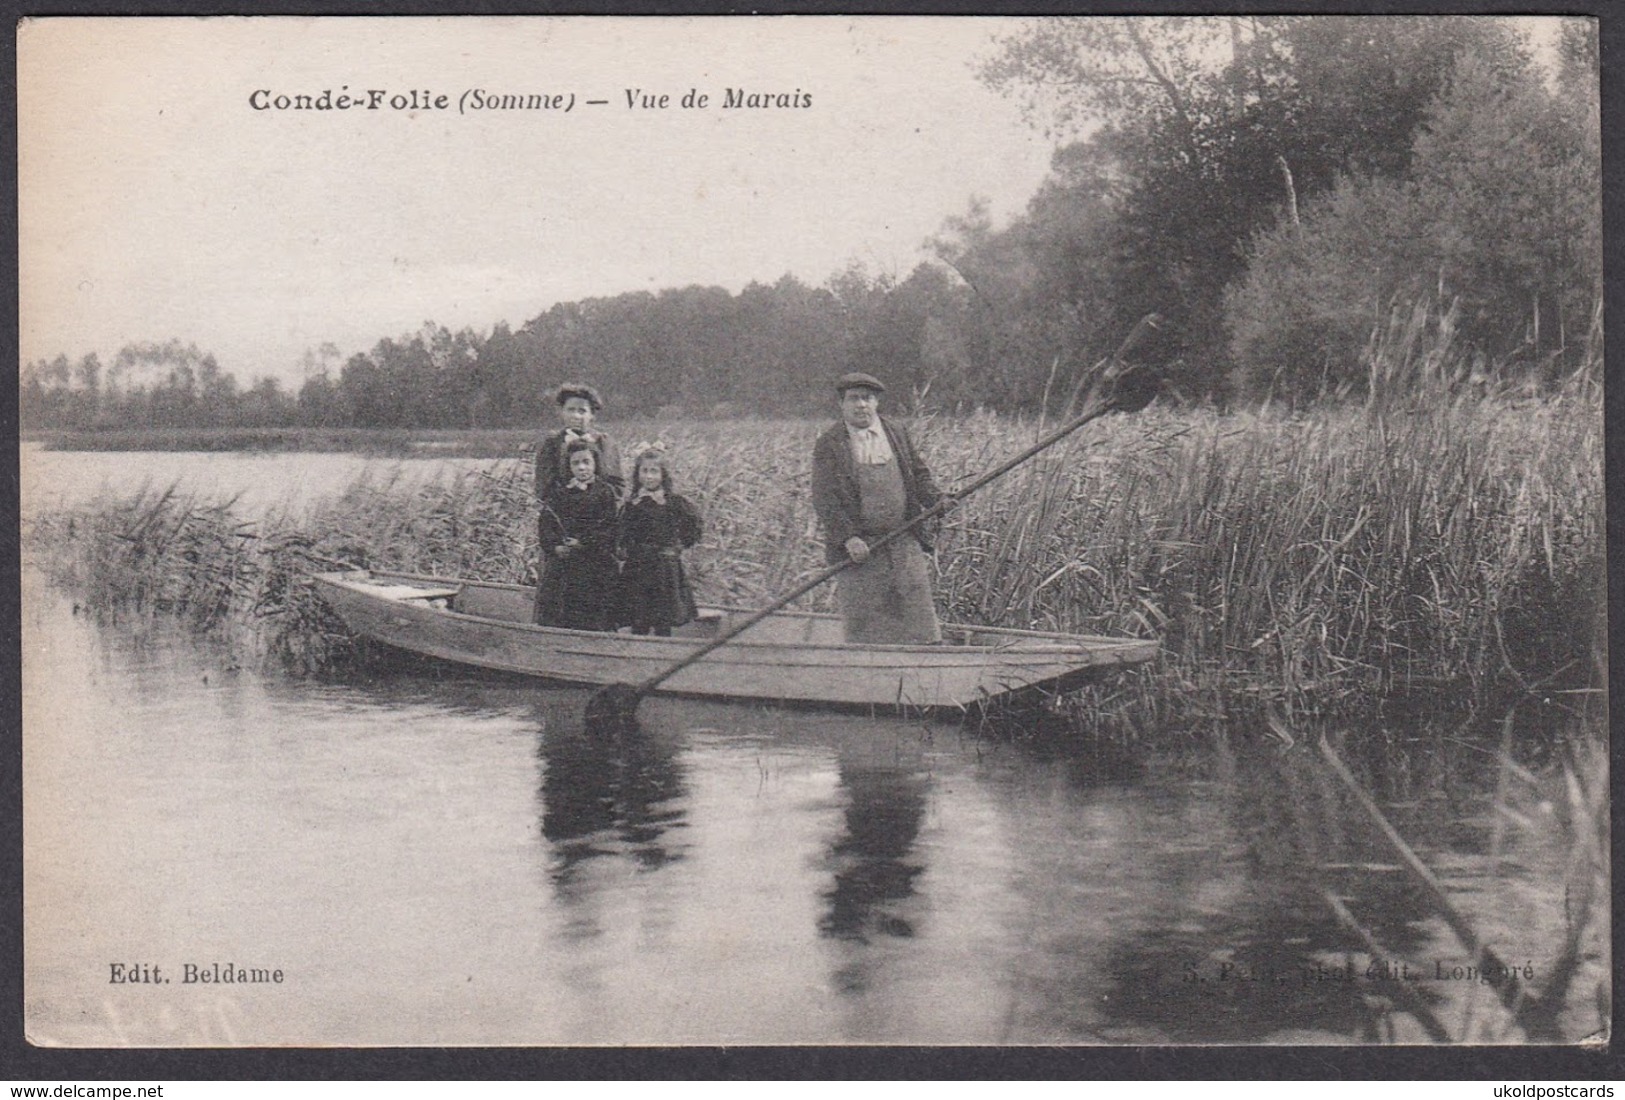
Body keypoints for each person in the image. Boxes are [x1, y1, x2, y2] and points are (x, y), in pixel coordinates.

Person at [810, 372, 945, 644]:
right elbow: (826, 499)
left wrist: (935, 499)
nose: (861, 405)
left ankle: (922, 668)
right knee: (866, 627)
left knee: (918, 620)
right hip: (861, 551)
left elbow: (917, 474)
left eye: (867, 398)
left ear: (876, 402)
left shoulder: (896, 432)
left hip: (903, 541)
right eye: (854, 399)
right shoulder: (830, 444)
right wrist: (849, 538)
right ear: (842, 404)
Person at [615, 444, 704, 636]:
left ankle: (662, 649)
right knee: (639, 617)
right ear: (637, 474)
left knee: (663, 618)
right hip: (638, 567)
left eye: (654, 471)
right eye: (644, 471)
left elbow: (694, 525)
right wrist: (624, 548)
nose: (649, 476)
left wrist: (679, 545)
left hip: (664, 568)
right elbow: (622, 531)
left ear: (663, 474)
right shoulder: (633, 504)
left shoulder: (673, 503)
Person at [534, 441, 620, 630]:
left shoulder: (605, 492)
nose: (582, 467)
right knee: (561, 610)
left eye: (586, 461)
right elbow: (547, 526)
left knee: (594, 611)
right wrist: (556, 547)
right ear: (569, 466)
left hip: (595, 564)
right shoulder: (559, 493)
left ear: (595, 463)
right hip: (564, 565)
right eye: (576, 463)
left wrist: (583, 543)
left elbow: (610, 528)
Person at [535, 383, 624, 504]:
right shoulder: (552, 443)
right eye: (570, 410)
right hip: (562, 513)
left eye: (582, 411)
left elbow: (617, 487)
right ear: (562, 412)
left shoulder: (604, 443)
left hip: (600, 513)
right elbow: (543, 488)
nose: (576, 416)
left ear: (592, 415)